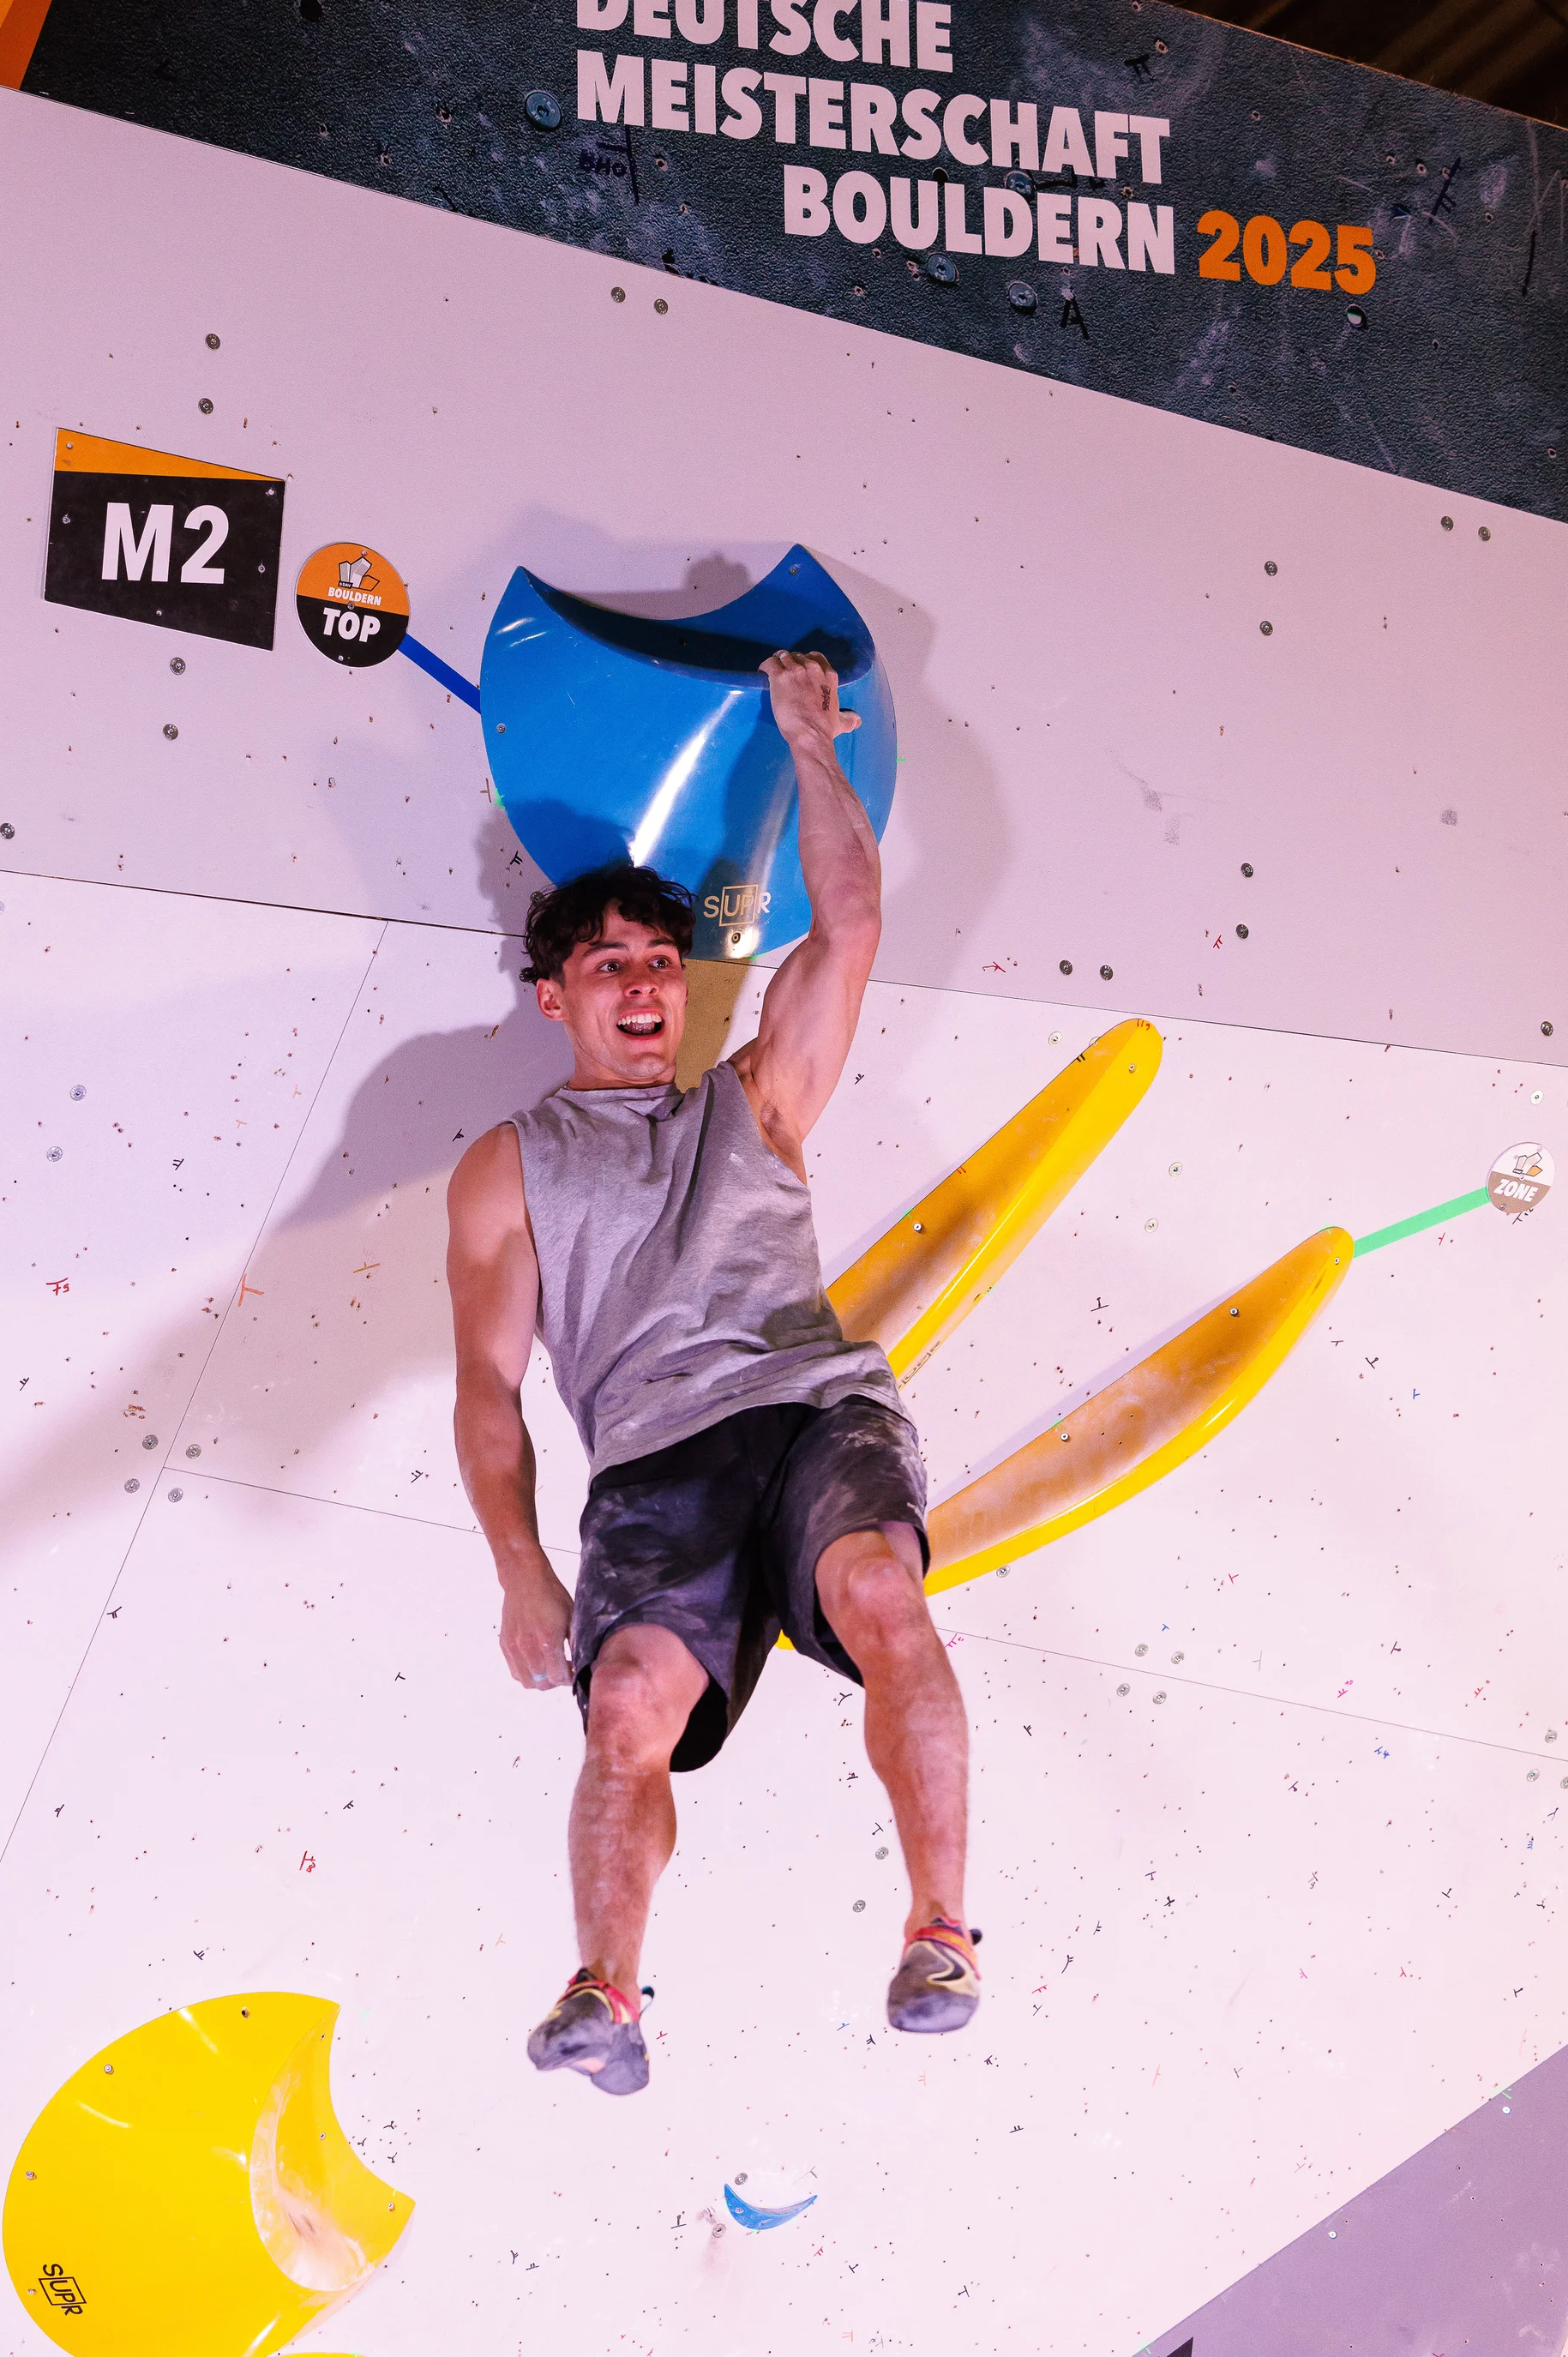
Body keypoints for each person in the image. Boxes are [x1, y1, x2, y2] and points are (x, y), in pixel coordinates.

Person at [446, 647, 976, 2095]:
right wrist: (517, 1566)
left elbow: (853, 922)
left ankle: (941, 1932)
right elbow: (487, 1392)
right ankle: (606, 1995)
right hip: (651, 1463)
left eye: (659, 964)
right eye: (607, 964)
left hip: (811, 1408)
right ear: (555, 993)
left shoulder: (757, 1098)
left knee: (881, 1590)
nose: (639, 986)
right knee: (627, 1706)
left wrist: (807, 735)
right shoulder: (509, 1169)